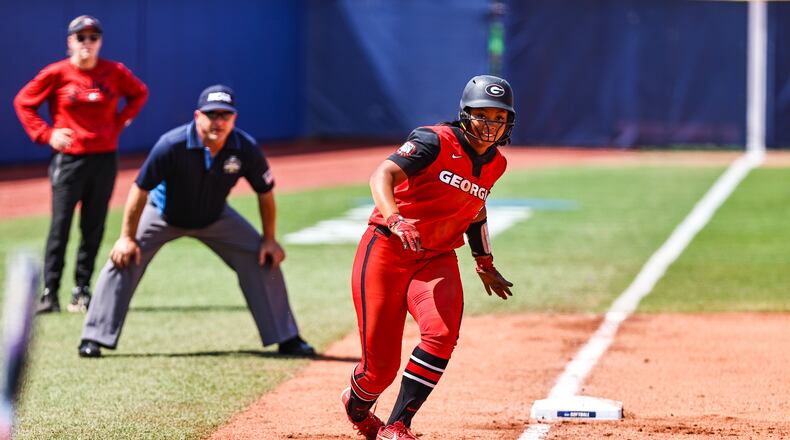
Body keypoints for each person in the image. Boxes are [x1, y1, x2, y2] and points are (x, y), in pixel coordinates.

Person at [77, 85, 315, 358]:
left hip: (215, 217)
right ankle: (93, 337)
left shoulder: (244, 147)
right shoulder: (172, 144)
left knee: (262, 255)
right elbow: (139, 189)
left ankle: (286, 337)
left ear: (234, 119)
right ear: (197, 115)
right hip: (164, 215)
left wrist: (270, 239)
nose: (219, 122)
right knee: (123, 257)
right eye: (212, 115)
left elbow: (265, 194)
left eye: (225, 115)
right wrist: (127, 237)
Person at [340, 75, 516, 440]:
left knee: (441, 333)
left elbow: (476, 209)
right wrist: (394, 217)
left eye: (498, 118)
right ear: (465, 115)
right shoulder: (434, 140)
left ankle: (398, 424)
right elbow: (382, 174)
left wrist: (484, 262)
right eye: (482, 115)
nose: (490, 125)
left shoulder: (496, 164)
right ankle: (356, 406)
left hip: (436, 258)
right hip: (387, 250)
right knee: (379, 371)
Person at [13, 15, 149, 314]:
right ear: (70, 42)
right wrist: (47, 134)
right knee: (60, 226)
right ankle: (50, 293)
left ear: (100, 41)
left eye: (93, 37)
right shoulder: (57, 73)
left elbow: (139, 93)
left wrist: (121, 121)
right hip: (69, 159)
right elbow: (23, 102)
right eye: (80, 37)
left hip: (103, 157)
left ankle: (82, 290)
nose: (87, 43)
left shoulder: (114, 72)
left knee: (94, 225)